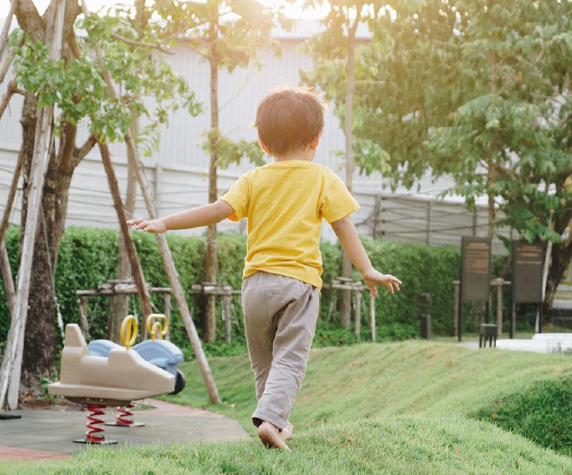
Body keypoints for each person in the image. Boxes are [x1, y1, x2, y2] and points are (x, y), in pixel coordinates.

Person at [128, 87, 401, 450]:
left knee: (265, 364)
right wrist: (366, 269)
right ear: (316, 139)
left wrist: (164, 222)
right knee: (290, 359)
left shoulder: (253, 179)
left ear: (261, 141)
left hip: (255, 287)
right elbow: (343, 225)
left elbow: (216, 211)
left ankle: (276, 423)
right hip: (299, 285)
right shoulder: (322, 177)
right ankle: (272, 421)